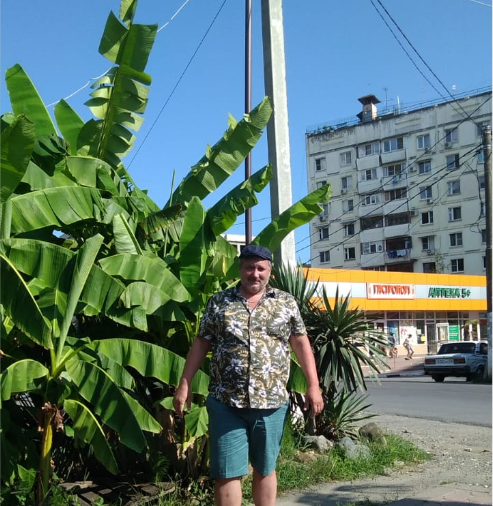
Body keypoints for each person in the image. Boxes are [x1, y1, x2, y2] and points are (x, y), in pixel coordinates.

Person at [173, 245, 324, 506]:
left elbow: (301, 343)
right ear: (240, 269)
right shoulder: (219, 302)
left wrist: (313, 385)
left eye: (260, 268)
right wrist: (184, 384)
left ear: (270, 271)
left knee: (265, 468)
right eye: (249, 267)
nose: (255, 273)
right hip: (226, 402)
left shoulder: (285, 302)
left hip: (271, 403)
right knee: (226, 472)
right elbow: (201, 343)